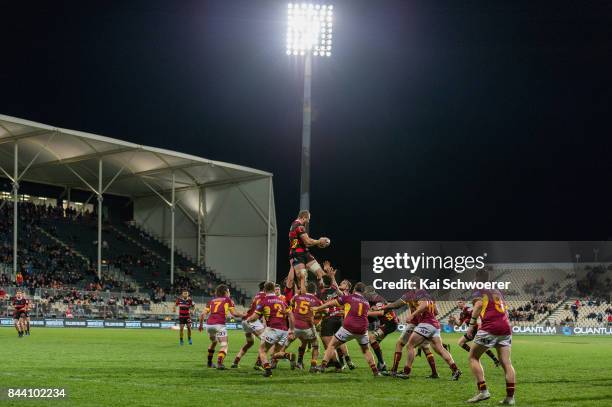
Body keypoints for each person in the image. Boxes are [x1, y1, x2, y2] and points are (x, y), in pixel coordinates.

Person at [385, 290, 461, 380]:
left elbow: (424, 305)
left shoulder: (420, 295)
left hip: (426, 324)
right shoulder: (429, 297)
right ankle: (455, 370)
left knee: (410, 345)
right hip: (435, 325)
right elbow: (436, 312)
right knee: (440, 349)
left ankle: (406, 372)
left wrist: (413, 315)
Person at [313, 282, 381, 377]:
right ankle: (375, 371)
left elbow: (331, 304)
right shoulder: (366, 302)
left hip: (349, 327)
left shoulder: (349, 297)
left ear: (354, 290)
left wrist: (318, 308)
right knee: (366, 350)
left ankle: (323, 366)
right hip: (362, 329)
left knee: (332, 345)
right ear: (364, 292)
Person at [466, 289, 516, 405]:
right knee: (506, 362)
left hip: (489, 328)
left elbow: (478, 304)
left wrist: (471, 326)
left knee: (473, 357)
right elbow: (506, 311)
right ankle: (510, 398)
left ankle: (483, 391)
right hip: (505, 328)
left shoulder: (480, 290)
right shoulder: (497, 292)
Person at [380, 290, 440, 379]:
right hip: (424, 323)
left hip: (415, 323)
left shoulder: (409, 295)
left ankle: (395, 370)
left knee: (400, 344)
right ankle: (434, 373)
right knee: (425, 347)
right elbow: (436, 312)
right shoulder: (427, 296)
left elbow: (395, 305)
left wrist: (383, 307)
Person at [246, 281, 295, 377]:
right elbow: (291, 315)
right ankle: (288, 355)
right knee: (274, 354)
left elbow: (255, 317)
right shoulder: (282, 301)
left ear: (264, 290)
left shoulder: (264, 301)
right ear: (273, 290)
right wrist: (292, 330)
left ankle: (268, 370)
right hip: (284, 331)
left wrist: (248, 319)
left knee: (262, 350)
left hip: (273, 329)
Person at [318, 264, 355, 370]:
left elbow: (335, 287)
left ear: (347, 287)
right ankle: (346, 361)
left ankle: (336, 363)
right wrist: (328, 274)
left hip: (333, 318)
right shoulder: (335, 291)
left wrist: (332, 276)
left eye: (343, 283)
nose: (341, 284)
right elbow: (329, 284)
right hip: (338, 319)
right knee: (339, 341)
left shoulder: (345, 293)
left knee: (330, 342)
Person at [199, 284, 243, 370]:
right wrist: (244, 315)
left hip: (209, 325)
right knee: (224, 345)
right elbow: (234, 314)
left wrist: (200, 325)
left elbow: (202, 314)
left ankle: (209, 363)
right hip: (219, 325)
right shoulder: (228, 300)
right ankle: (220, 363)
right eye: (229, 291)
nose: (229, 293)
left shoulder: (211, 301)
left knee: (214, 342)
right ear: (226, 292)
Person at [450, 299, 500, 367]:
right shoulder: (462, 313)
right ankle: (494, 360)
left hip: (476, 329)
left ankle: (476, 356)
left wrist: (478, 325)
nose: (459, 304)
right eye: (457, 302)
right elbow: (459, 324)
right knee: (463, 343)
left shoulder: (468, 309)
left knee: (465, 343)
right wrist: (454, 320)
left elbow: (477, 315)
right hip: (472, 331)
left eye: (460, 302)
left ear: (464, 302)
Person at [288, 210, 329, 289]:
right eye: (308, 219)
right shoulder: (299, 226)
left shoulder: (294, 225)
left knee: (321, 274)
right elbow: (307, 241)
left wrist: (317, 243)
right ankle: (302, 299)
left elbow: (304, 243)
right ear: (303, 217)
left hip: (304, 253)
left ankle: (322, 291)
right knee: (302, 280)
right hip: (297, 255)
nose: (308, 221)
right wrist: (319, 241)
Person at [289, 280, 322, 372]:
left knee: (286, 345)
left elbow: (291, 302)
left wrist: (296, 294)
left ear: (306, 289)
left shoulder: (299, 297)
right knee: (316, 346)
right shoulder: (317, 300)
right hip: (308, 326)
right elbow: (324, 311)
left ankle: (275, 361)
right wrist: (317, 322)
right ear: (315, 291)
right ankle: (313, 365)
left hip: (295, 326)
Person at [232, 281, 266, 369]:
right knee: (266, 341)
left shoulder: (257, 295)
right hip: (252, 320)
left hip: (245, 321)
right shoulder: (265, 296)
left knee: (250, 343)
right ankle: (258, 364)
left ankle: (236, 361)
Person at [363, 286, 398, 371]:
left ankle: (382, 363)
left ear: (370, 293)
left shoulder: (378, 300)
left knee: (371, 338)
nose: (365, 296)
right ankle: (381, 363)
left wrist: (367, 313)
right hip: (389, 323)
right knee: (374, 342)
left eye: (366, 294)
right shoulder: (376, 299)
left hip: (389, 323)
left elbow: (381, 312)